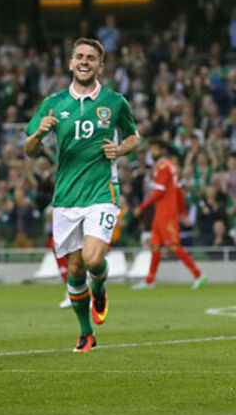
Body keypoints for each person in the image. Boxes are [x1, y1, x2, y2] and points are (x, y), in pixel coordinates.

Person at [25, 38, 140, 352]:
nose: (84, 61)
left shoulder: (115, 102)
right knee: (75, 270)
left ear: (101, 65)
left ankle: (99, 287)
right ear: (70, 63)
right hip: (66, 197)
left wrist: (120, 149)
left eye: (91, 57)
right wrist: (39, 133)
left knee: (93, 259)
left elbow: (134, 137)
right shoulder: (54, 103)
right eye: (79, 56)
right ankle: (86, 332)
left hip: (102, 191)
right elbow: (29, 149)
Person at [132, 138, 207, 290]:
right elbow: (178, 191)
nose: (152, 152)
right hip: (162, 213)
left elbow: (158, 192)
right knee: (155, 245)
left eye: (155, 149)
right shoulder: (171, 167)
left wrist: (141, 207)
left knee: (173, 246)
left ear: (162, 151)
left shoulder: (163, 167)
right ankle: (150, 280)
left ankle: (198, 274)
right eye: (151, 149)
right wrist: (183, 213)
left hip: (166, 214)